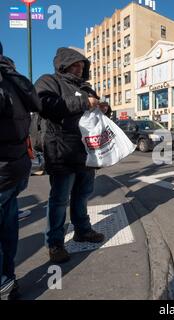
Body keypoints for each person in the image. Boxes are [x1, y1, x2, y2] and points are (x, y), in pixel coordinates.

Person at [35, 47, 106, 264]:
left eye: (82, 66)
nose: (78, 69)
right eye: (75, 65)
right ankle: (55, 243)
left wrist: (104, 107)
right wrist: (84, 102)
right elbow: (45, 105)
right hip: (60, 149)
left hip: (85, 151)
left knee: (83, 194)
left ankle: (82, 230)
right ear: (63, 64)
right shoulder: (49, 81)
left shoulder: (86, 86)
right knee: (59, 199)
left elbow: (94, 114)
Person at [0, 41, 42, 299]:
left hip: (5, 166)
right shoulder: (14, 79)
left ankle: (5, 280)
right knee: (7, 227)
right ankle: (9, 280)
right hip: (14, 167)